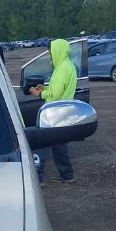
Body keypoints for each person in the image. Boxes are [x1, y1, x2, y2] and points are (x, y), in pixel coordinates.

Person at [29, 38, 77, 184]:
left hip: (53, 112)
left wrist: (40, 93)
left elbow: (54, 96)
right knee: (59, 145)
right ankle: (67, 175)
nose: (49, 54)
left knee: (42, 144)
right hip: (64, 111)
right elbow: (58, 89)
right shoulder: (68, 66)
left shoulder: (61, 70)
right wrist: (45, 88)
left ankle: (37, 177)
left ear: (57, 51)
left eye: (50, 51)